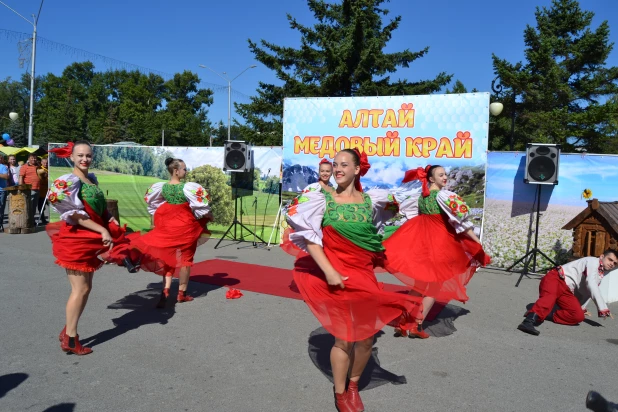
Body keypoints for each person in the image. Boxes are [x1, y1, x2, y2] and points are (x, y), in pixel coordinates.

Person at [283, 148, 423, 412]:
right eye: (335, 165)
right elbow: (310, 239)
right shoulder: (320, 199)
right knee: (343, 338)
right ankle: (340, 393)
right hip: (336, 275)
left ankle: (354, 385)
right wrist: (329, 272)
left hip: (364, 275)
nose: (337, 169)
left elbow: (408, 206)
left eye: (344, 165)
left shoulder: (373, 200)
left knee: (366, 338)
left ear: (357, 169)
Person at [46, 141, 138, 355]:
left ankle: (68, 329)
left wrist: (110, 220)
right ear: (72, 157)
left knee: (86, 289)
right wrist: (102, 230)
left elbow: (100, 207)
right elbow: (75, 216)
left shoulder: (91, 179)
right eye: (80, 155)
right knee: (80, 289)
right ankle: (70, 339)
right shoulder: (67, 182)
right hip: (76, 240)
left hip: (90, 239)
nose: (85, 159)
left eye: (88, 155)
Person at [380, 165, 490, 338]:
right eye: (441, 175)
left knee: (419, 286)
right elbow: (460, 223)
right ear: (431, 179)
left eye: (445, 174)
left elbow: (414, 218)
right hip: (439, 245)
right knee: (433, 287)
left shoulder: (421, 197)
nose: (445, 177)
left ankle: (403, 321)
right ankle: (416, 326)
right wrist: (477, 242)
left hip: (423, 245)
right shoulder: (444, 197)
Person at [129, 157, 212, 308]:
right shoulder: (188, 188)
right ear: (176, 170)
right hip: (185, 227)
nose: (186, 171)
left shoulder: (161, 188)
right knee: (186, 260)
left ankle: (165, 291)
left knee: (168, 258)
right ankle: (182, 293)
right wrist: (209, 216)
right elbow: (201, 208)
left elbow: (154, 204)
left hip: (168, 227)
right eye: (184, 169)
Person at [517, 250, 618, 336]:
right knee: (549, 298)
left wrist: (581, 308)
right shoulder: (592, 261)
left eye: (615, 263)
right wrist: (603, 308)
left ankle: (545, 313)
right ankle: (529, 321)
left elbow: (587, 291)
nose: (612, 264)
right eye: (610, 260)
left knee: (578, 316)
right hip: (555, 278)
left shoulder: (601, 274)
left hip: (566, 289)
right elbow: (591, 285)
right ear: (602, 256)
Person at [19, 153, 41, 224]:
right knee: (28, 206)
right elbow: (21, 177)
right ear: (28, 159)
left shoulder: (38, 166)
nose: (34, 159)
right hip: (29, 189)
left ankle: (32, 220)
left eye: (35, 158)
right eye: (32, 158)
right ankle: (27, 221)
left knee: (34, 207)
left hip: (37, 189)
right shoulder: (24, 167)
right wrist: (21, 187)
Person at [37, 157, 49, 224]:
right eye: (44, 163)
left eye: (47, 163)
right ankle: (43, 219)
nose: (45, 164)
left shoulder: (49, 168)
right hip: (42, 191)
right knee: (41, 207)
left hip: (49, 190)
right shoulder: (39, 169)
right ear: (41, 163)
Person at [0, 154, 8, 232]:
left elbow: (6, 177)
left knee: (1, 208)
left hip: (2, 190)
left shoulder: (3, 167)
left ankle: (0, 224)